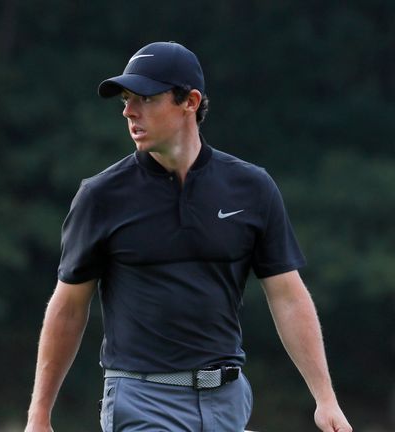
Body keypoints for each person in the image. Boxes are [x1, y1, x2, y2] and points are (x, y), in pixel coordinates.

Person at [25, 41, 352, 432]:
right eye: (126, 100)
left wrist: (325, 398)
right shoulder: (101, 196)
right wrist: (39, 414)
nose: (129, 111)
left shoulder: (251, 188)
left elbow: (287, 295)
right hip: (141, 399)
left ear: (190, 102)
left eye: (144, 98)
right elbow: (69, 307)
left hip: (227, 401)